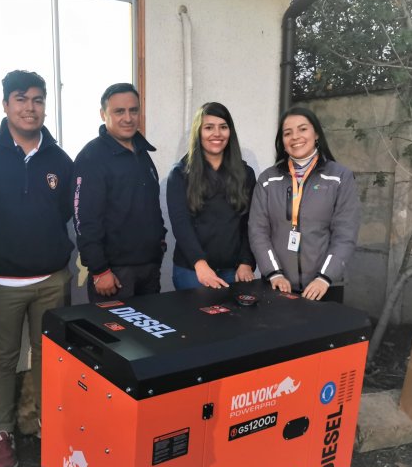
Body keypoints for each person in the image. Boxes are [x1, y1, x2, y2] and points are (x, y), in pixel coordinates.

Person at [0, 70, 73, 467]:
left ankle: (49, 425)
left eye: (38, 99)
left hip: (51, 281)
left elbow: (63, 214)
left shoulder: (59, 159)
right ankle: (4, 433)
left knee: (51, 358)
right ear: (5, 104)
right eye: (21, 99)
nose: (30, 107)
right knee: (4, 360)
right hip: (1, 283)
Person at [248, 107, 360, 302]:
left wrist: (324, 278)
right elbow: (258, 230)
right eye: (287, 133)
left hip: (324, 287)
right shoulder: (268, 179)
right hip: (278, 285)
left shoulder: (339, 177)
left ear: (316, 133)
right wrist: (274, 273)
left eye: (302, 129)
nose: (295, 137)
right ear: (282, 141)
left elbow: (345, 233)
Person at [73, 82, 166, 302]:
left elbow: (150, 204)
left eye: (133, 110)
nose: (128, 118)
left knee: (148, 336)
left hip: (149, 268)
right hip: (113, 273)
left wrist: (160, 240)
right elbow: (85, 220)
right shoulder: (91, 157)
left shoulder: (142, 152)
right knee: (114, 336)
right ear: (103, 114)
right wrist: (99, 270)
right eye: (119, 111)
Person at [166, 102, 256, 290]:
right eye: (209, 128)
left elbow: (250, 221)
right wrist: (200, 265)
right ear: (198, 132)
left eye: (223, 127)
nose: (217, 133)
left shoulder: (245, 173)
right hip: (193, 271)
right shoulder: (180, 174)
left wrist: (246, 261)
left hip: (234, 270)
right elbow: (181, 224)